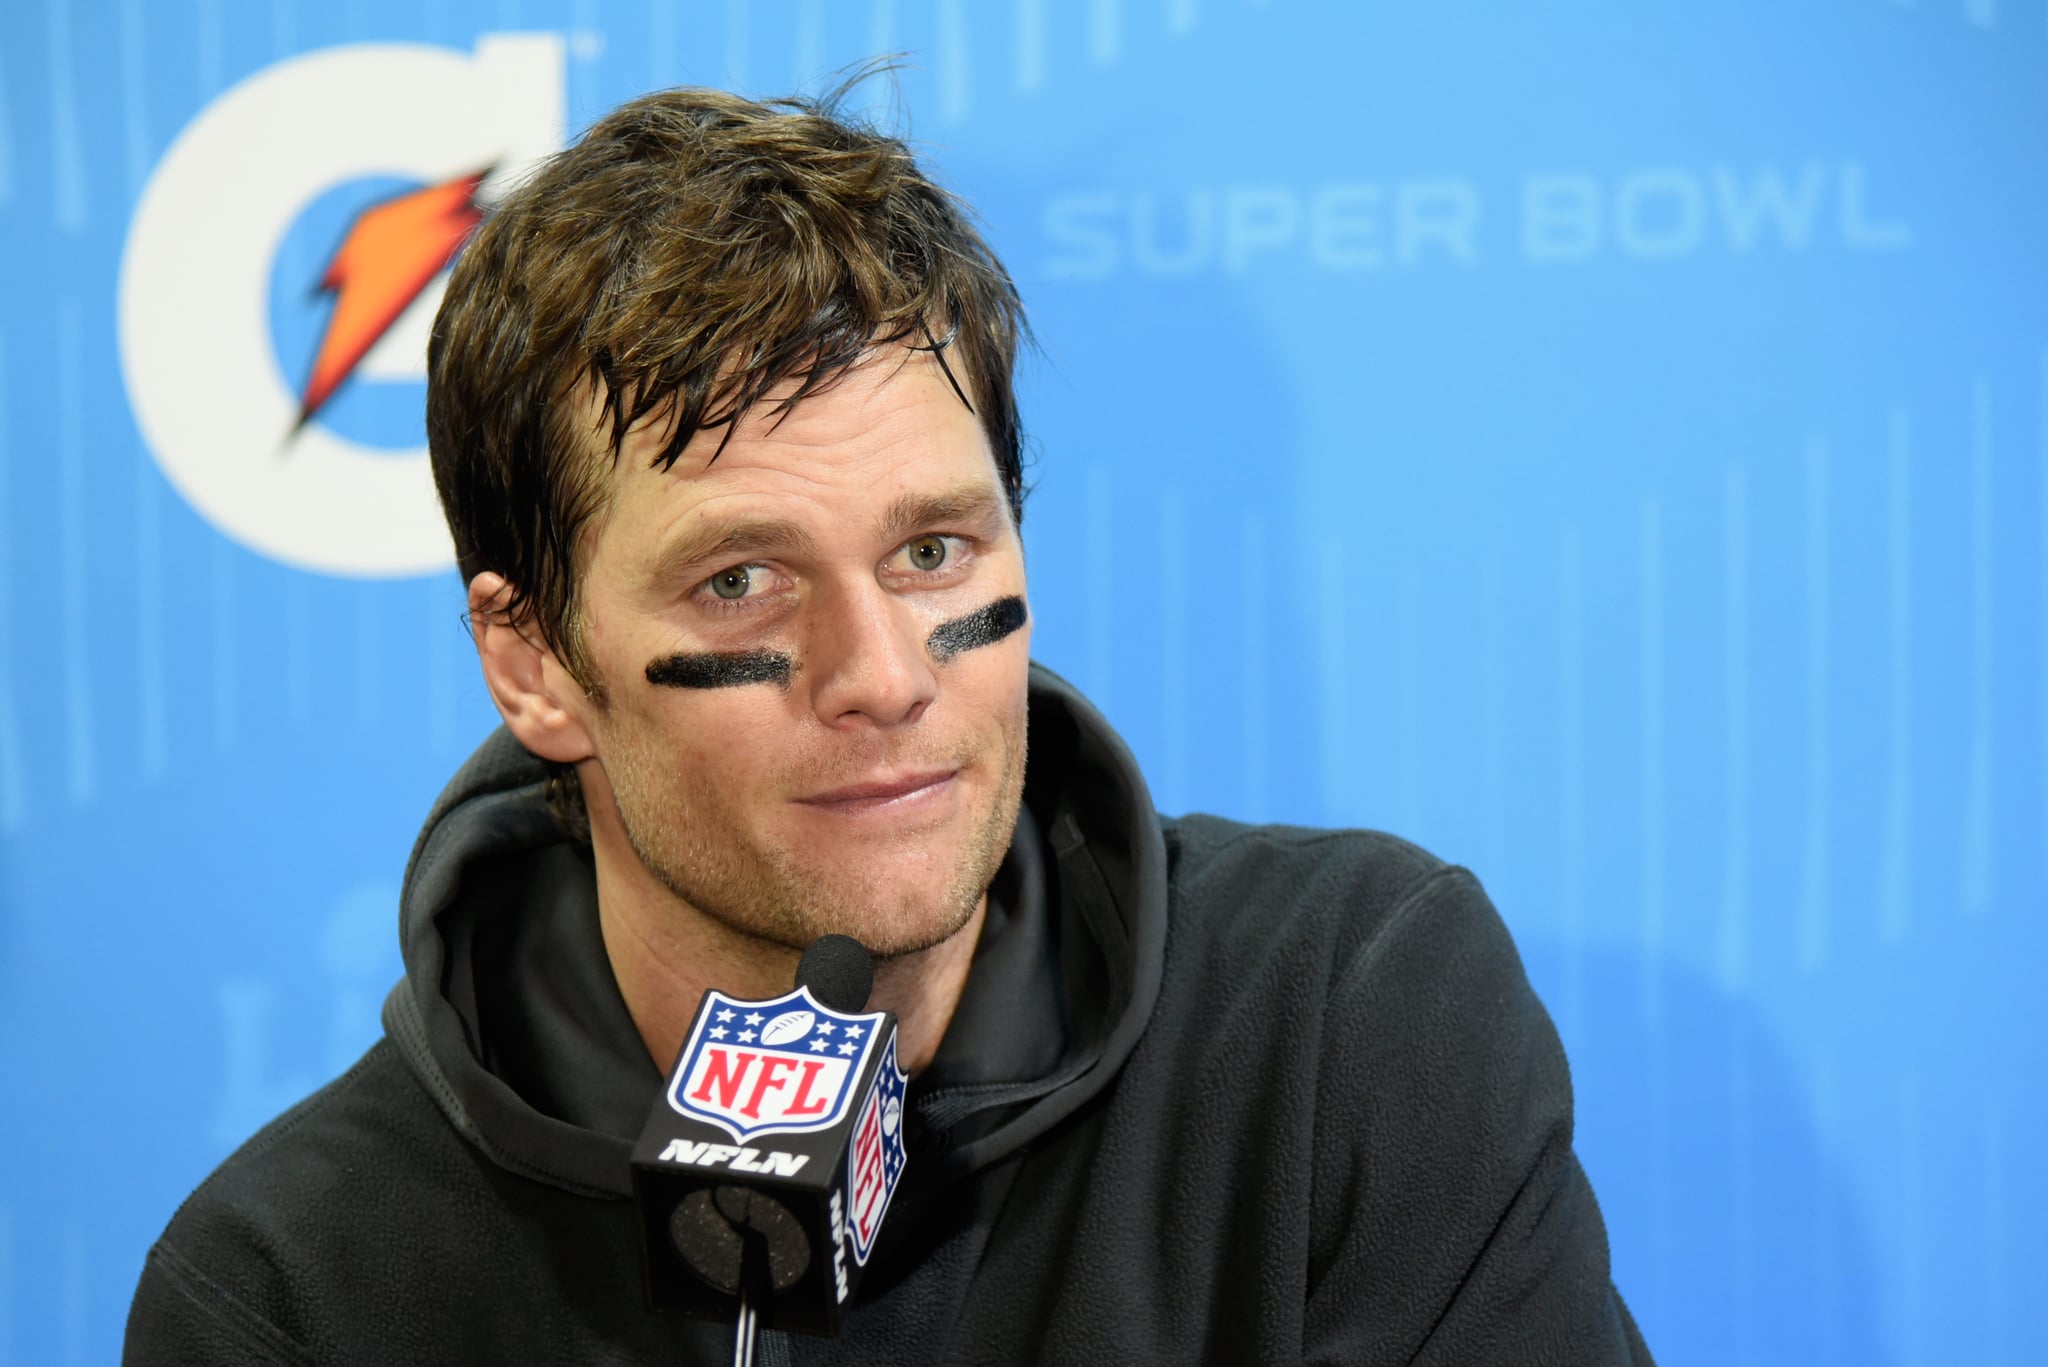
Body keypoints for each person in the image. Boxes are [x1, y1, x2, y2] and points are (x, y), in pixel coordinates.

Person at [125, 80, 1654, 1365]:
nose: (881, 674)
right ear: (531, 662)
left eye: (933, 553)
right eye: (740, 582)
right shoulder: (293, 1295)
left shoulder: (1347, 1023)